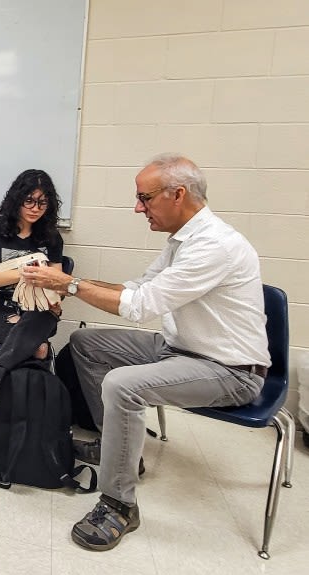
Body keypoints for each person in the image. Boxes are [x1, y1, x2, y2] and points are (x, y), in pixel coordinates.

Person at [20, 154, 269, 551]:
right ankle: (118, 451)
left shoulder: (215, 246)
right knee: (87, 343)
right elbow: (135, 287)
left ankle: (119, 503)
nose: (138, 207)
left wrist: (67, 285)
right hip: (180, 349)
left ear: (178, 194)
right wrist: (69, 280)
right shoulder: (183, 241)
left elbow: (140, 307)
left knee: (123, 385)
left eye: (145, 198)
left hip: (230, 370)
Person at [0, 169, 64, 409]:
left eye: (42, 202)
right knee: (38, 348)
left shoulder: (51, 237)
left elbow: (59, 282)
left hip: (34, 306)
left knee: (44, 318)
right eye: (29, 200)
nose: (35, 208)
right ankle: (33, 410)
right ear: (16, 200)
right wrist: (28, 271)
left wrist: (57, 295)